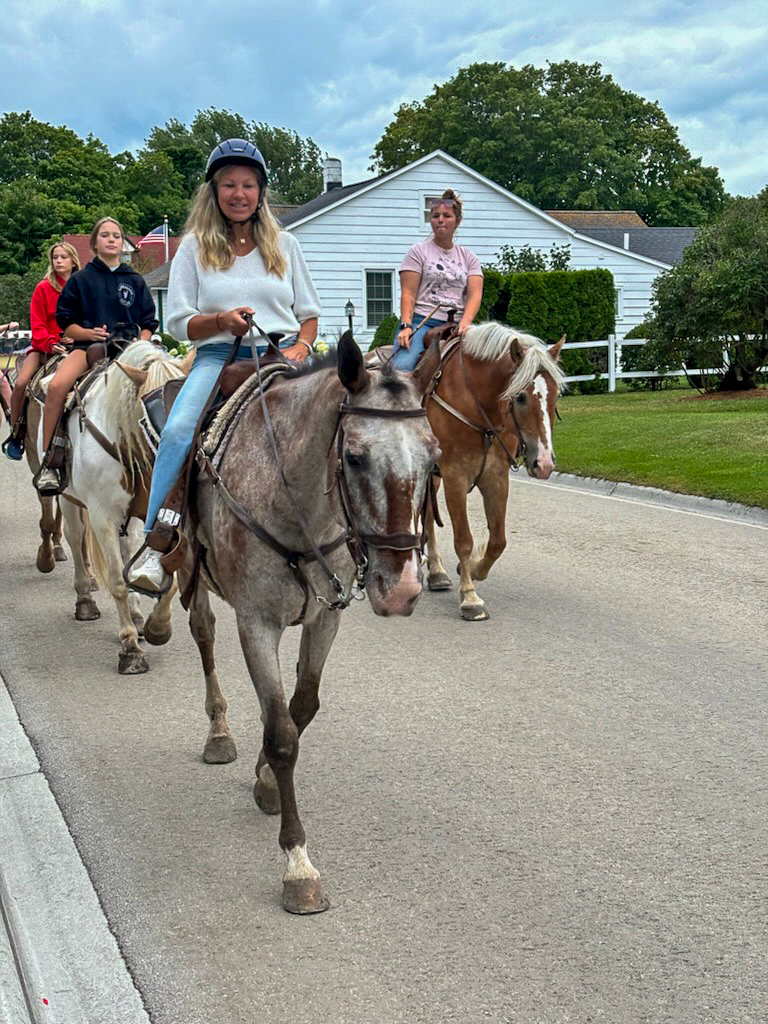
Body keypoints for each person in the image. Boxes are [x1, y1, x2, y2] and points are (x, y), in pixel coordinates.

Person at [126, 138, 321, 593]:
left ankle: (349, 534)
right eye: (229, 185)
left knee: (341, 420)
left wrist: (302, 348)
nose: (239, 193)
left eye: (248, 185)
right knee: (177, 431)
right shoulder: (193, 248)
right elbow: (176, 323)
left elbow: (309, 315)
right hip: (218, 357)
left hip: (279, 355)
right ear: (213, 192)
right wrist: (220, 321)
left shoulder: (286, 245)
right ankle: (158, 544)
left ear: (261, 192)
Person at [34, 218, 158, 494]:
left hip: (131, 351)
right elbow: (66, 323)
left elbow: (149, 323)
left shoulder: (135, 280)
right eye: (105, 235)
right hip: (87, 349)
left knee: (165, 386)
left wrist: (142, 343)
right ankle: (50, 462)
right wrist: (88, 334)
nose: (112, 239)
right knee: (56, 387)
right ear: (95, 243)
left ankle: (167, 457)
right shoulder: (80, 280)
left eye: (116, 235)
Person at [3, 243, 81, 461]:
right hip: (44, 349)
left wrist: (76, 336)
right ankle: (17, 433)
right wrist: (51, 342)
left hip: (77, 349)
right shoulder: (43, 288)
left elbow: (89, 319)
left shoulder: (82, 288)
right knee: (20, 384)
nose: (58, 261)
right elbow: (37, 324)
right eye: (55, 257)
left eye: (63, 257)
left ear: (73, 261)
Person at [392, 189, 484, 372]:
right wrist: (406, 326)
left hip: (458, 324)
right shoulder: (418, 252)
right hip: (423, 322)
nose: (440, 219)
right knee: (403, 368)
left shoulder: (469, 257)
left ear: (457, 221)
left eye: (447, 216)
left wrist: (466, 322)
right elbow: (408, 294)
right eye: (436, 216)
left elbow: (475, 294)